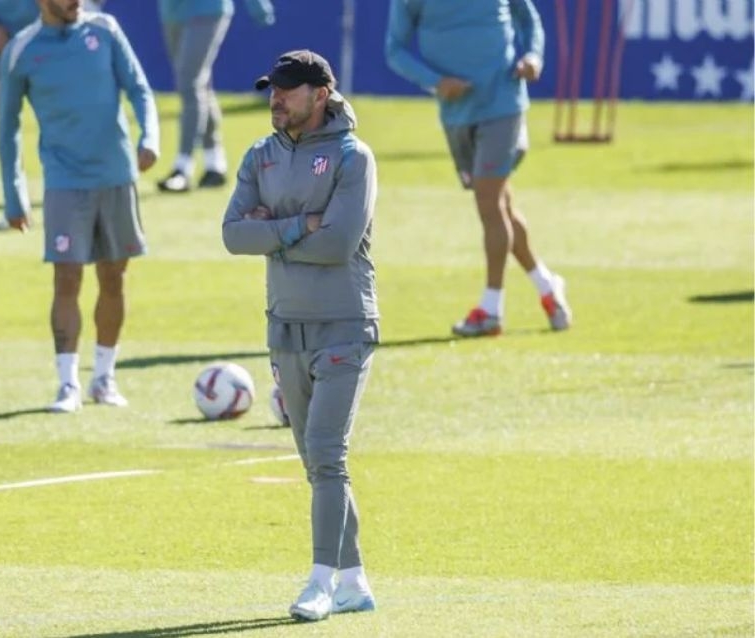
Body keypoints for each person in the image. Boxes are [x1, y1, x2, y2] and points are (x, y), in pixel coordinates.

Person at [222, 50, 378, 622]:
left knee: (327, 456)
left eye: (288, 90)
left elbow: (337, 245)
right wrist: (301, 225)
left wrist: (273, 233)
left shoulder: (352, 157)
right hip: (285, 325)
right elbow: (233, 235)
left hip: (344, 324)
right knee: (317, 464)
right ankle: (355, 581)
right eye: (274, 89)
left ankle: (320, 582)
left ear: (321, 94)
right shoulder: (259, 155)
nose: (276, 99)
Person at [0, 0, 159, 413]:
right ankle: (67, 384)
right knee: (66, 277)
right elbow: (8, 128)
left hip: (117, 176)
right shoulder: (21, 51)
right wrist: (14, 195)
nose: (76, 2)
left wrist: (149, 137)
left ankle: (104, 378)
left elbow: (139, 88)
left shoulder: (105, 31)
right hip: (65, 182)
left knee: (113, 277)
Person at [385, 0, 572, 337]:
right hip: (456, 114)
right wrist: (435, 81)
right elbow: (394, 49)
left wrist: (534, 57)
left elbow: (528, 19)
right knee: (501, 206)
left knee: (488, 202)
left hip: (504, 103)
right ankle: (547, 285)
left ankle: (490, 310)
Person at [0, 0, 102, 231]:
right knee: (4, 117)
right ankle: (15, 202)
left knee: (70, 110)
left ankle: (85, 196)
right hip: (4, 26)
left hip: (53, 23)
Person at [156, 0, 275, 193]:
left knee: (190, 83)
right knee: (200, 85)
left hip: (207, 9)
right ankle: (214, 164)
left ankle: (183, 168)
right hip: (171, 12)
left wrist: (258, 6)